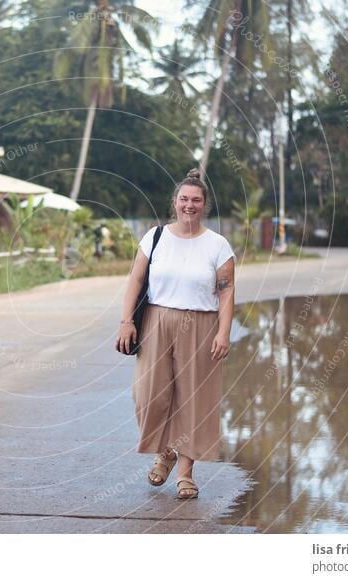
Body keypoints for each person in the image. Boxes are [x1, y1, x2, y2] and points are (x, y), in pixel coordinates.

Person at [115, 168, 236, 499]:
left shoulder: (218, 245)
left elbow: (226, 291)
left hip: (201, 323)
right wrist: (127, 320)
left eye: (196, 200)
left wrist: (223, 332)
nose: (189, 205)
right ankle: (165, 451)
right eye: (184, 199)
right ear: (175, 202)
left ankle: (185, 471)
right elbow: (136, 280)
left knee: (193, 399)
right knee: (147, 395)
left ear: (204, 204)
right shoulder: (155, 237)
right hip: (156, 320)